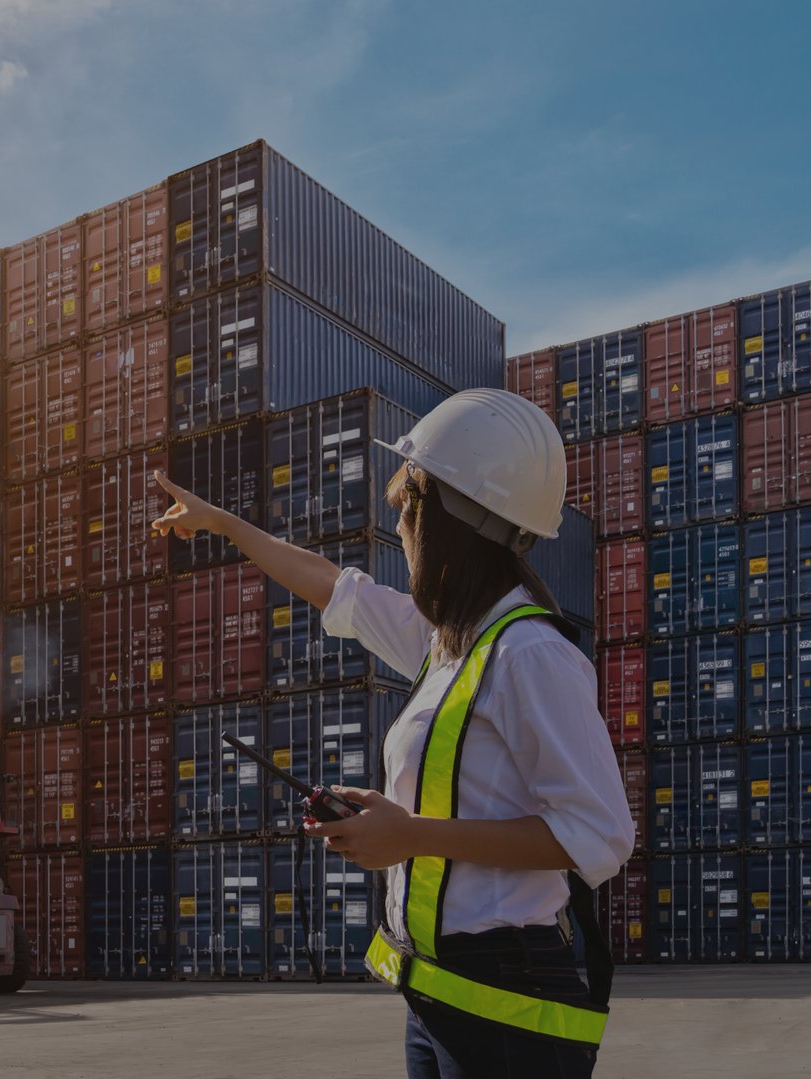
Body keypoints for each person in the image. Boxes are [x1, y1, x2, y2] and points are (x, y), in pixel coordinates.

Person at [152, 388, 634, 1078]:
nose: (399, 524)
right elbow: (331, 585)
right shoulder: (447, 642)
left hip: (507, 1001)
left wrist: (409, 835)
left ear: (450, 518)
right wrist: (225, 524)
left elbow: (602, 834)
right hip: (435, 992)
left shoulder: (529, 652)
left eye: (407, 505)